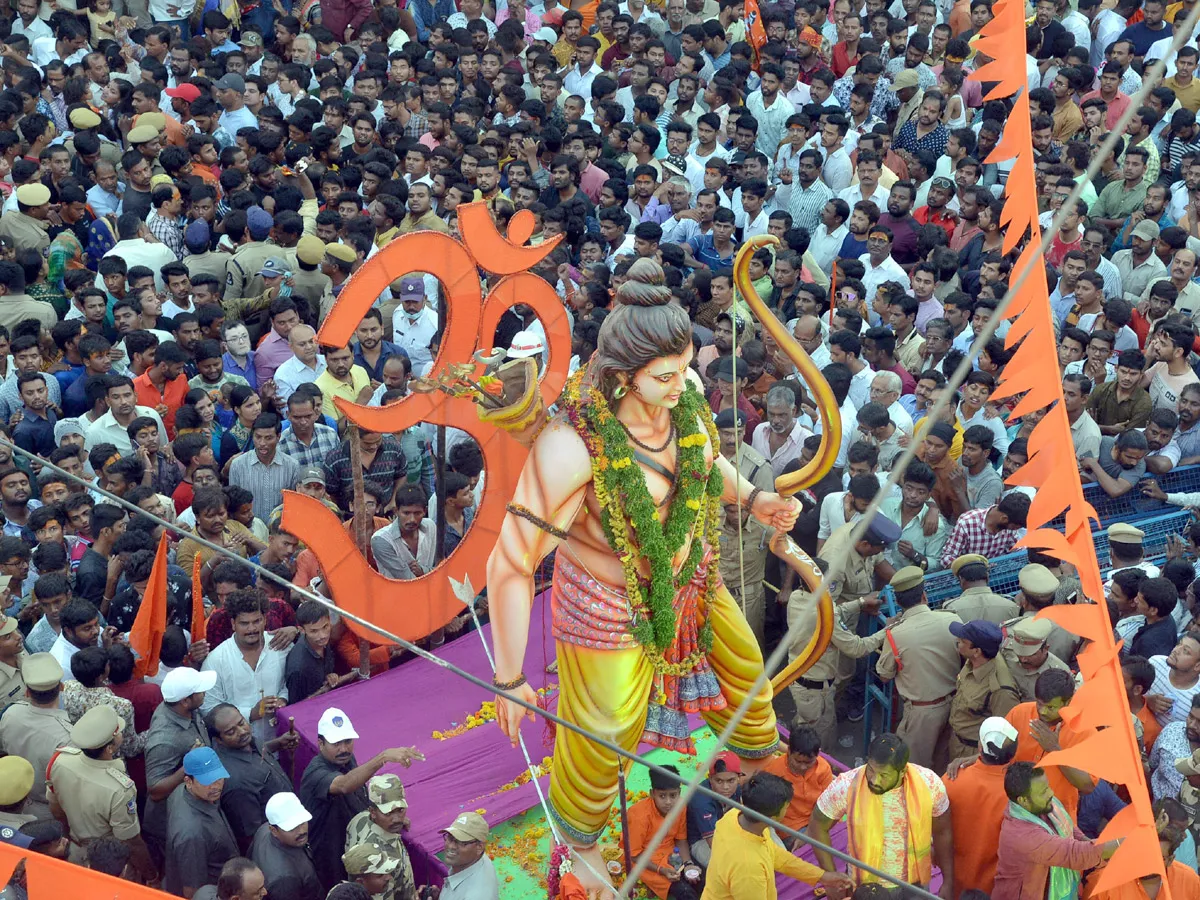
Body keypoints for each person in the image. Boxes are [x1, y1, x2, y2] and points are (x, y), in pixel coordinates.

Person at [298, 707, 424, 888]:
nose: (343, 749)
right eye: (336, 743)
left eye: (347, 741)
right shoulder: (316, 772)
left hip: (354, 846)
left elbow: (359, 795)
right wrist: (383, 757)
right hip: (330, 856)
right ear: (320, 744)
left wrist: (390, 818)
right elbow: (344, 785)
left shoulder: (347, 760)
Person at [808, 733, 954, 890]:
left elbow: (942, 832)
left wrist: (948, 881)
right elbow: (817, 825)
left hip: (915, 884)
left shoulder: (930, 784)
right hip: (865, 888)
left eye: (884, 775)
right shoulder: (846, 786)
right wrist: (831, 879)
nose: (874, 780)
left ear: (903, 771)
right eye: (871, 770)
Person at [47, 705, 158, 883]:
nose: (122, 733)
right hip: (110, 863)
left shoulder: (59, 760)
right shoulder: (120, 788)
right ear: (109, 749)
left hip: (74, 851)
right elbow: (131, 840)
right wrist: (152, 876)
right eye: (118, 733)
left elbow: (56, 809)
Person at [992, 762, 1117, 900]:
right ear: (1023, 801)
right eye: (1043, 791)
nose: (1051, 793)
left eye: (1048, 786)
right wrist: (1124, 843)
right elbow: (1074, 854)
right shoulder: (1023, 835)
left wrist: (1085, 840)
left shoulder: (1041, 805)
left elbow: (1068, 827)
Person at [201, 589, 290, 749]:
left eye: (256, 621)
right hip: (237, 753)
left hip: (280, 746)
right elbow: (208, 710)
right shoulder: (216, 660)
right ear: (233, 624)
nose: (251, 629)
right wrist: (251, 713)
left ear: (265, 619)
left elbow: (289, 683)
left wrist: (283, 699)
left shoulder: (281, 647)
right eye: (244, 623)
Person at [942, 716, 1020, 898]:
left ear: (979, 748)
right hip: (993, 889)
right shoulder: (1017, 795)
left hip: (954, 884)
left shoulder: (951, 780)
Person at [206, 703, 298, 849]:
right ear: (218, 740)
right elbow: (252, 836)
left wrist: (278, 743)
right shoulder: (237, 783)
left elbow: (258, 749)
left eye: (241, 723)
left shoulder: (244, 743)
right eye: (231, 732)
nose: (241, 731)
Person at [0, 653, 72, 818]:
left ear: (27, 692)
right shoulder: (67, 736)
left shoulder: (10, 713)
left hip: (17, 805)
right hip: (53, 812)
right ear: (61, 687)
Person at [164, 746, 240, 898]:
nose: (216, 786)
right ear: (188, 781)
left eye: (219, 778)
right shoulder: (192, 834)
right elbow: (193, 890)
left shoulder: (185, 791)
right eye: (207, 781)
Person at [946, 620, 1022, 761]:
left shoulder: (1000, 690)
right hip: (956, 741)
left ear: (977, 651)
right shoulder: (973, 662)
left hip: (973, 753)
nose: (958, 643)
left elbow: (1006, 737)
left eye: (962, 641)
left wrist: (979, 758)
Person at [344, 775, 418, 900]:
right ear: (373, 812)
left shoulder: (360, 819)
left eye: (400, 810)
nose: (396, 819)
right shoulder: (377, 859)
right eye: (388, 813)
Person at [626, 763, 693, 898]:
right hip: (646, 861)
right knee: (685, 892)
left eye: (673, 796)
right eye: (662, 796)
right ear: (652, 794)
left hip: (672, 855)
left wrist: (688, 864)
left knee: (700, 880)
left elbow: (681, 840)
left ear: (679, 793)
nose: (668, 802)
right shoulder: (638, 815)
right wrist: (660, 870)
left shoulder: (680, 807)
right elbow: (634, 855)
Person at [761, 726, 834, 838]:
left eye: (809, 762)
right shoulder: (773, 772)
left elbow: (828, 802)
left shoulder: (824, 768)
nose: (803, 767)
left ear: (818, 754)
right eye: (798, 761)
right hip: (791, 828)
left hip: (820, 819)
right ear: (789, 751)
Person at [251, 792, 322, 900]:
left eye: (302, 822)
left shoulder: (264, 829)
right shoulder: (284, 881)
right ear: (274, 830)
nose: (302, 831)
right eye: (292, 827)